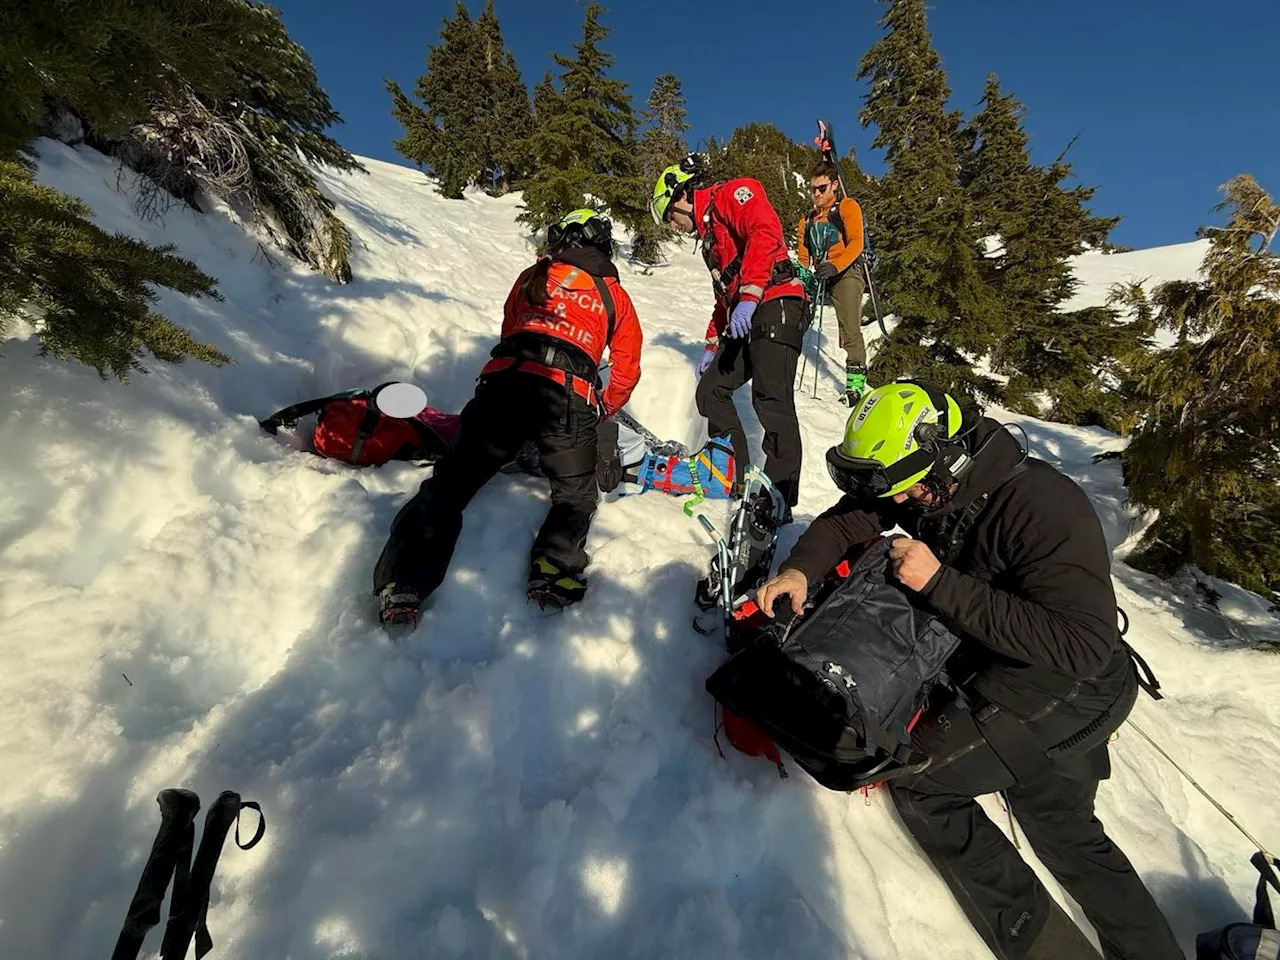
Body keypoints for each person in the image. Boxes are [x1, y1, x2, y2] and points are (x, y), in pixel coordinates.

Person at [756, 381, 1181, 960]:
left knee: (921, 782)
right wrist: (803, 570)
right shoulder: (928, 481)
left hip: (1064, 686)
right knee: (1061, 824)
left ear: (947, 454)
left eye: (909, 493)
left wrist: (938, 583)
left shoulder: (1042, 506)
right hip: (1037, 673)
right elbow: (850, 520)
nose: (901, 506)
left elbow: (1080, 643)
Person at [373, 209, 643, 624]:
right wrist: (602, 406)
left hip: (505, 384)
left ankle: (405, 579)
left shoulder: (534, 275)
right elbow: (626, 368)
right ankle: (554, 572)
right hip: (569, 397)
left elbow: (509, 329)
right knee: (574, 495)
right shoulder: (614, 296)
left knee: (451, 483)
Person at [650, 161, 809, 516]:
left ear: (682, 197)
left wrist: (750, 295)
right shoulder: (710, 241)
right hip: (750, 311)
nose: (674, 227)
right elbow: (724, 298)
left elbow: (765, 232)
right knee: (711, 390)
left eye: (670, 217)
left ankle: (777, 498)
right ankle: (733, 474)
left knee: (771, 399)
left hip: (776, 302)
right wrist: (711, 345)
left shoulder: (733, 193)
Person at [796, 160, 868, 407]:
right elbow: (803, 254)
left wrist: (836, 266)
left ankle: (855, 386)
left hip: (846, 273)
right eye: (814, 188)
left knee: (850, 330)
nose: (817, 193)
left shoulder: (847, 207)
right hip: (820, 275)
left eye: (822, 188)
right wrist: (803, 273)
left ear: (834, 185)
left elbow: (857, 242)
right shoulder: (807, 221)